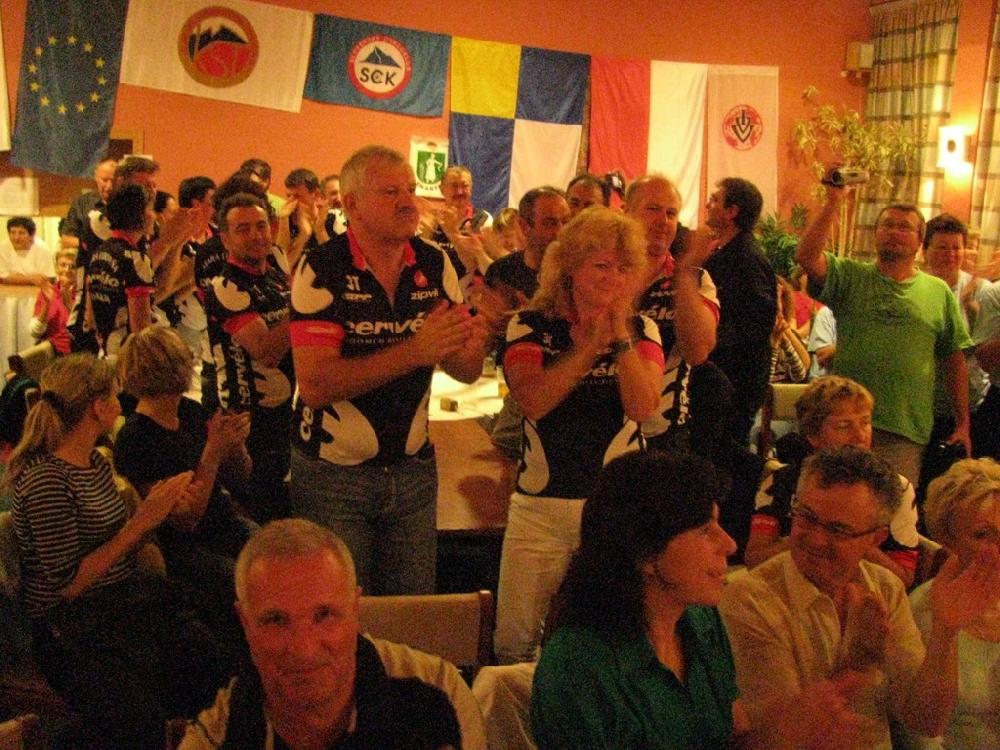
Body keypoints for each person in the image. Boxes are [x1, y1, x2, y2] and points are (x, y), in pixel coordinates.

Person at [532, 450, 874, 750]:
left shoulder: (700, 622)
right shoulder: (580, 669)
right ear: (645, 553)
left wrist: (787, 734)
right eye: (705, 531)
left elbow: (734, 740)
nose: (729, 544)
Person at [6, 354, 233, 750]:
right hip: (72, 628)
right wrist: (142, 521)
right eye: (114, 395)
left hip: (121, 607)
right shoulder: (45, 480)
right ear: (98, 407)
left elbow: (118, 543)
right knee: (138, 720)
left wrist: (163, 510)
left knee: (220, 667)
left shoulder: (95, 461)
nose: (121, 402)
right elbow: (67, 586)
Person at [289, 145, 489, 596]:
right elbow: (316, 385)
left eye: (411, 190)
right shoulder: (322, 268)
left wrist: (480, 335)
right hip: (334, 475)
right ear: (352, 204)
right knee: (343, 611)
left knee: (411, 611)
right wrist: (415, 350)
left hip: (413, 470)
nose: (408, 202)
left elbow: (465, 370)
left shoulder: (434, 262)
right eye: (390, 192)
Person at [720, 446, 1000, 750]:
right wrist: (857, 664)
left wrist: (945, 632)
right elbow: (783, 736)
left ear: (876, 538)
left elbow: (926, 721)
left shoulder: (884, 587)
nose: (816, 539)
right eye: (807, 517)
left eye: (838, 529)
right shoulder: (750, 600)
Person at [493, 206, 663, 664]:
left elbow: (644, 408)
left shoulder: (643, 330)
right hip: (541, 508)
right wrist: (587, 348)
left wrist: (620, 339)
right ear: (570, 267)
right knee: (514, 644)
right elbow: (534, 400)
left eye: (624, 268)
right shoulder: (529, 325)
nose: (613, 278)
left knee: (612, 642)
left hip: (616, 511)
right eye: (601, 265)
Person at [179, 518, 462, 750]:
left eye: (324, 615)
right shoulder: (216, 735)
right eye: (276, 620)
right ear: (245, 623)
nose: (304, 649)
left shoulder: (438, 697)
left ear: (355, 609)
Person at [796, 189, 973, 485]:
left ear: (920, 241)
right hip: (844, 424)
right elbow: (806, 256)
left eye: (904, 227)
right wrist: (834, 200)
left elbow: (954, 360)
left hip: (905, 429)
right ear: (875, 235)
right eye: (887, 225)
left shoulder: (938, 292)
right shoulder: (850, 276)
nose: (894, 232)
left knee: (893, 507)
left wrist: (963, 422)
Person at [113, 326, 255, 626]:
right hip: (184, 548)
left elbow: (241, 478)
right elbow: (186, 520)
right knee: (251, 586)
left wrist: (235, 445)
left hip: (225, 523)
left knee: (286, 558)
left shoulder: (190, 411)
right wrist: (212, 453)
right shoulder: (135, 438)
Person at [746, 376, 920, 587]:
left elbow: (903, 578)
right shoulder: (781, 481)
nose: (859, 436)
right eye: (843, 426)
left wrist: (857, 538)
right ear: (813, 435)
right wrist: (807, 536)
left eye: (865, 422)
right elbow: (755, 560)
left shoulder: (897, 489)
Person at [206, 192, 293, 523]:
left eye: (261, 226)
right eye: (243, 229)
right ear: (225, 238)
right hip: (246, 422)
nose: (256, 235)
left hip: (282, 415)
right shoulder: (225, 286)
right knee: (262, 517)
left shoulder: (276, 274)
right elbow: (266, 351)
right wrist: (303, 305)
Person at [902, 458, 1000, 749]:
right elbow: (919, 732)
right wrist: (945, 631)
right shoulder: (924, 610)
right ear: (948, 540)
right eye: (983, 535)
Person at [626, 175, 718, 453]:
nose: (663, 221)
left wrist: (683, 274)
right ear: (626, 213)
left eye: (671, 213)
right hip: (601, 428)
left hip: (663, 434)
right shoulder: (600, 274)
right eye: (652, 209)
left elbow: (698, 351)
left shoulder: (696, 279)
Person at [704, 177, 778, 446]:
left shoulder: (746, 259)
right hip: (724, 375)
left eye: (715, 200)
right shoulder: (725, 254)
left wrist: (710, 344)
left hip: (737, 380)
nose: (708, 205)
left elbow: (756, 324)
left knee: (727, 450)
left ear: (732, 211)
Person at [86, 183, 159, 356]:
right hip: (129, 358)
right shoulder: (136, 259)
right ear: (138, 214)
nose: (154, 216)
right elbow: (141, 331)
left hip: (105, 353)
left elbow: (90, 319)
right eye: (150, 209)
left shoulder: (99, 252)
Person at [29, 247, 76, 355]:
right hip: (51, 351)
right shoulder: (48, 291)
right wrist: (47, 304)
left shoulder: (84, 293)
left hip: (76, 352)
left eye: (72, 266)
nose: (67, 270)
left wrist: (69, 305)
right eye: (63, 265)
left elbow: (86, 332)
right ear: (56, 268)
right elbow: (35, 333)